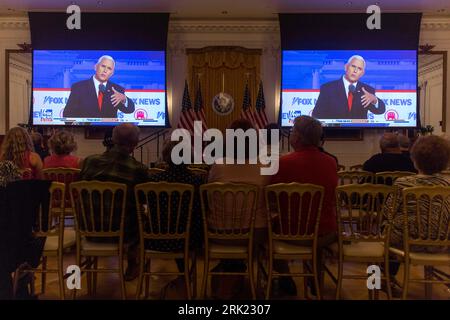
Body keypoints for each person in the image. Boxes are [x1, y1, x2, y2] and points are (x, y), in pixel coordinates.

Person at [270, 115, 338, 296]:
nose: (290, 134)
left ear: (298, 138)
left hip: (289, 232)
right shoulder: (331, 163)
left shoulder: (282, 164)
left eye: (292, 131)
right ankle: (315, 279)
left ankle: (285, 278)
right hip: (324, 232)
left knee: (264, 235)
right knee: (316, 235)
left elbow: (269, 198)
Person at [79, 124, 150, 280]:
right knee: (141, 216)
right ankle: (133, 264)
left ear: (114, 139)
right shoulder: (139, 169)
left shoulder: (89, 162)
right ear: (135, 144)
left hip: (89, 230)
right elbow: (145, 201)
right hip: (123, 235)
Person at [384, 135, 450, 293]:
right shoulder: (447, 186)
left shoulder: (403, 183)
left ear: (414, 160)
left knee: (382, 234)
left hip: (407, 241)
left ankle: (379, 281)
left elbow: (388, 212)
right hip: (441, 243)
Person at [312, 55, 385, 119]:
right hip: (334, 132)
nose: (355, 71)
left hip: (359, 133)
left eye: (359, 69)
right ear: (346, 67)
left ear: (362, 73)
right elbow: (316, 115)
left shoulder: (367, 90)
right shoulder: (328, 88)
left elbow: (380, 110)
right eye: (353, 66)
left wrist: (374, 100)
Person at [63, 55, 135, 118]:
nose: (105, 70)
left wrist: (124, 99)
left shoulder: (116, 89)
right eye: (103, 66)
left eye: (109, 68)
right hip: (85, 130)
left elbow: (130, 110)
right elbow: (67, 114)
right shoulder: (79, 87)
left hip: (108, 132)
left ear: (112, 73)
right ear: (96, 67)